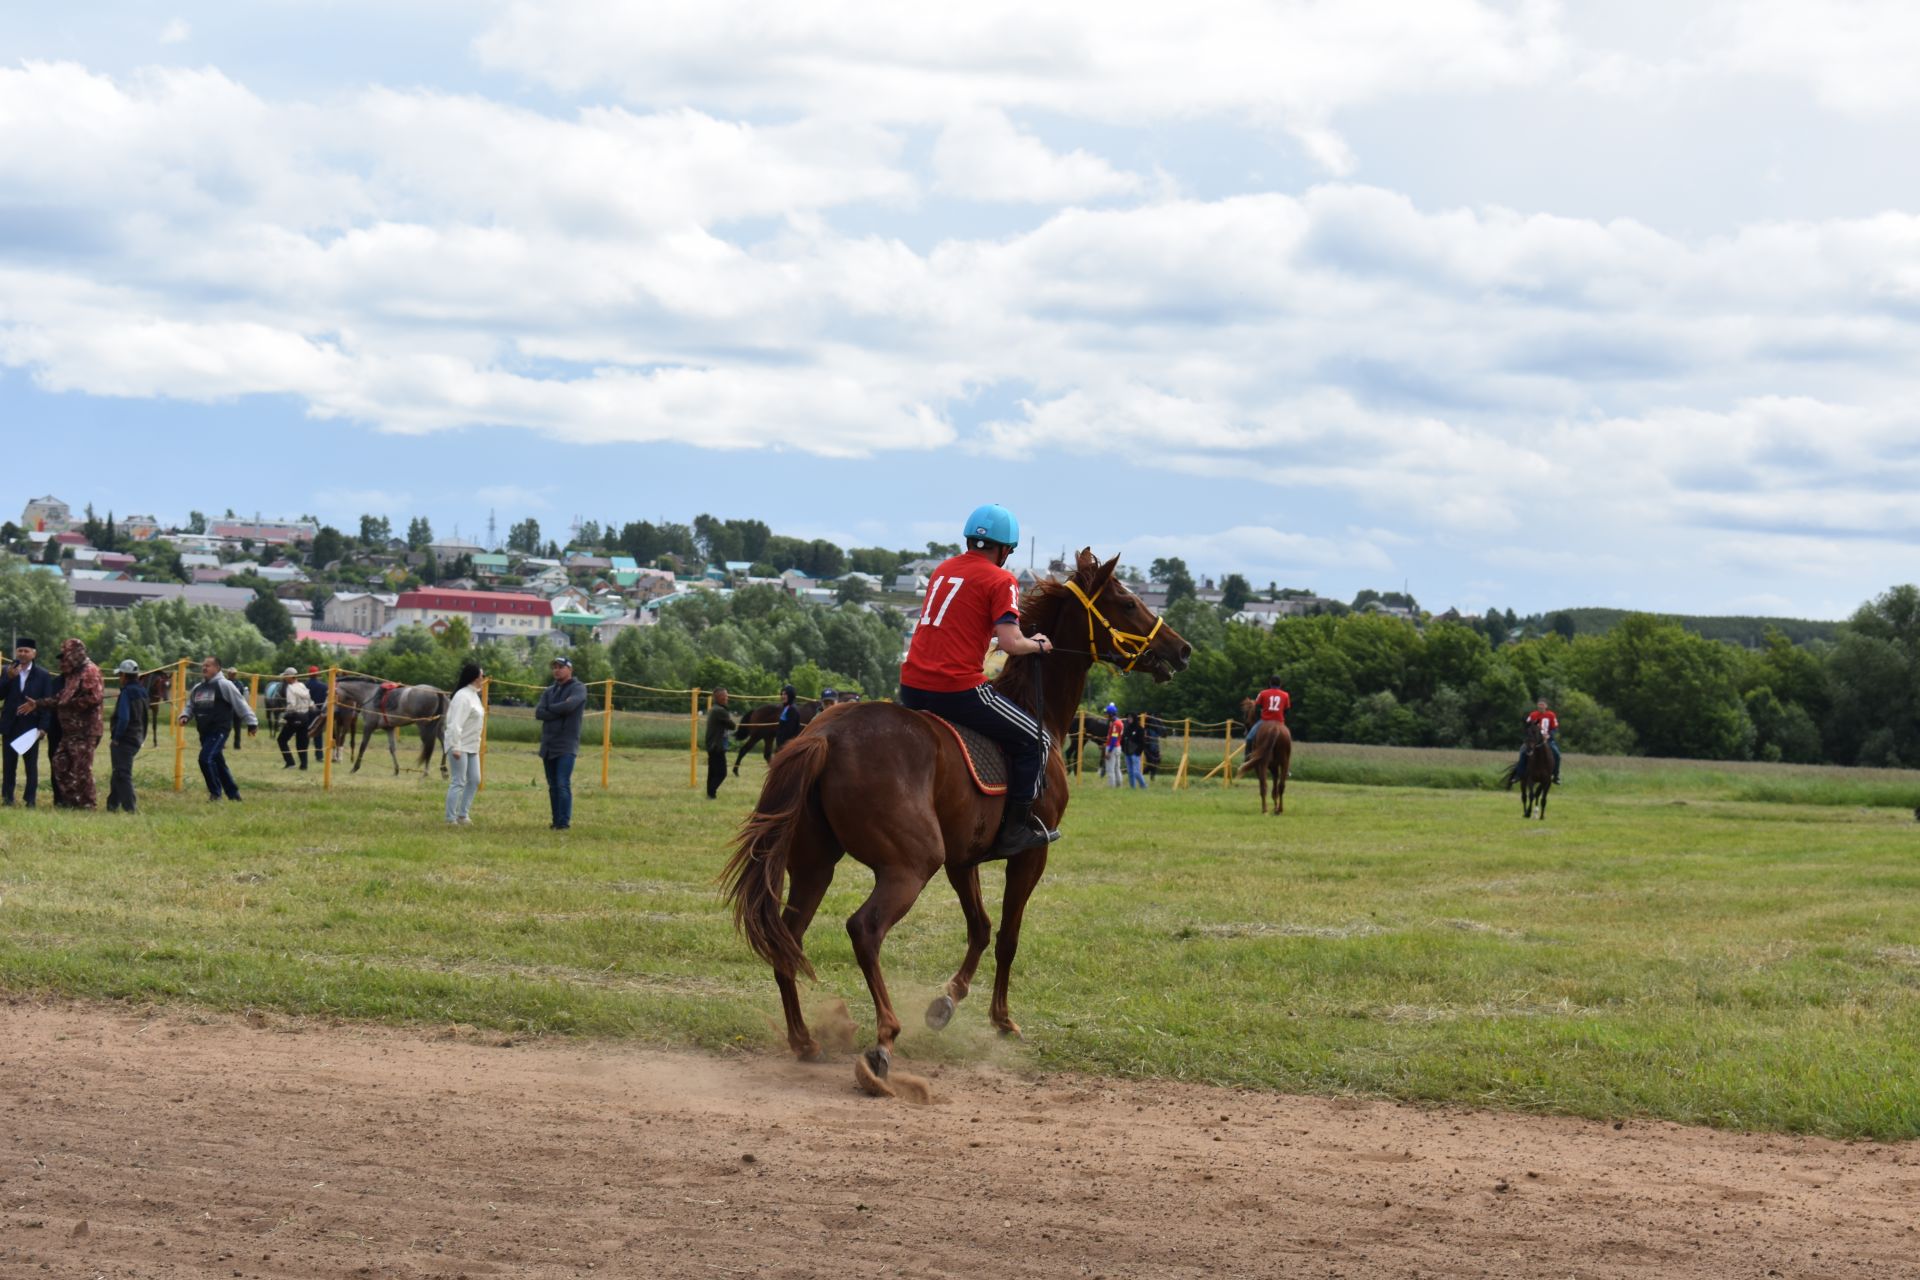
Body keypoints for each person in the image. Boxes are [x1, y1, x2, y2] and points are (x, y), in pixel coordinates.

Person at [897, 502, 1057, 858]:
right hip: (956, 690)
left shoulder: (943, 569)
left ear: (971, 539)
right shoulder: (1001, 579)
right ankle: (1016, 829)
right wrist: (1039, 645)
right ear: (1005, 549)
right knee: (1038, 740)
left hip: (911, 686)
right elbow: (1013, 644)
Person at [24, 638, 104, 809]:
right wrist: (38, 703)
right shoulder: (73, 674)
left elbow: (94, 698)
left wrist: (69, 705)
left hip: (85, 729)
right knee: (60, 764)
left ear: (77, 654)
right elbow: (61, 697)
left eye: (67, 655)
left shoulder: (90, 671)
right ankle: (70, 800)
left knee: (82, 769)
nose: (65, 660)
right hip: (69, 731)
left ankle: (87, 804)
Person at [179, 656, 258, 802]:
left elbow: (240, 703)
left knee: (205, 759)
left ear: (217, 668)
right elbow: (191, 705)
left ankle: (215, 794)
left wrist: (251, 722)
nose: (204, 668)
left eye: (208, 666)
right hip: (204, 731)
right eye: (203, 665)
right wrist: (185, 715)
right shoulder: (198, 688)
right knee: (218, 763)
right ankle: (234, 795)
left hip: (219, 730)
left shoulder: (225, 685)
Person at [534, 655, 586, 830]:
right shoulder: (549, 691)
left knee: (562, 783)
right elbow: (539, 713)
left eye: (560, 667)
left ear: (570, 669)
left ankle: (564, 823)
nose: (557, 670)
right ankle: (556, 821)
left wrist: (551, 708)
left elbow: (570, 707)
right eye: (554, 667)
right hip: (548, 745)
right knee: (552, 785)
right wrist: (559, 708)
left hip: (566, 745)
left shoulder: (578, 688)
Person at [1, 637, 53, 807]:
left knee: (31, 766)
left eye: (26, 651)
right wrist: (7, 678)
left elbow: (47, 702)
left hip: (31, 726)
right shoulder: (7, 670)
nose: (22, 654)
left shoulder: (43, 675)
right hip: (10, 724)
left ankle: (30, 800)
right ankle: (8, 798)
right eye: (20, 650)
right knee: (9, 765)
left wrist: (43, 727)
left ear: (34, 654)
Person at [443, 661, 485, 824]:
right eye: (482, 675)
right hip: (459, 746)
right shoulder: (462, 696)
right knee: (458, 781)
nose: (483, 678)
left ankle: (463, 814)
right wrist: (456, 747)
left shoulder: (474, 695)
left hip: (472, 746)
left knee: (474, 780)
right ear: (475, 677)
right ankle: (450, 818)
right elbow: (454, 724)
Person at [107, 659, 148, 813]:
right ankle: (112, 805)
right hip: (137, 736)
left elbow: (124, 718)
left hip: (125, 738)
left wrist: (116, 738)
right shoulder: (142, 691)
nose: (120, 678)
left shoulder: (126, 693)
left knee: (123, 773)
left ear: (124, 675)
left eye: (120, 675)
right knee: (119, 771)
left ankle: (130, 808)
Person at [277, 666, 315, 769]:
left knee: (282, 739)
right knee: (301, 742)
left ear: (290, 677)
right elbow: (310, 702)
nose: (285, 679)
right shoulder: (302, 686)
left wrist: (285, 716)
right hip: (305, 717)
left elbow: (291, 705)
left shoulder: (290, 688)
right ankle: (304, 765)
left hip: (294, 717)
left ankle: (290, 763)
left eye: (285, 676)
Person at [704, 686, 737, 800]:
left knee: (712, 772)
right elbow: (732, 726)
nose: (727, 698)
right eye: (724, 696)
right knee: (722, 773)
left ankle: (710, 794)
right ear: (718, 697)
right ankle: (712, 792)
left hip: (711, 745)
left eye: (727, 696)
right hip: (717, 746)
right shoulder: (720, 711)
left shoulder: (714, 709)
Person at [1520, 696, 1562, 783]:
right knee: (1523, 752)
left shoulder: (1551, 715)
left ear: (1546, 706)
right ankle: (1519, 774)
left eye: (1542, 705)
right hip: (1533, 740)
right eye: (1539, 705)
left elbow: (1555, 728)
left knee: (1557, 755)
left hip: (1547, 740)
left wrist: (1549, 735)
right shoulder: (1532, 715)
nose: (1540, 707)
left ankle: (1555, 775)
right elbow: (1527, 726)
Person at [1247, 676, 1290, 748]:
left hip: (1265, 720)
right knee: (1287, 740)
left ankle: (1247, 758)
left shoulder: (1263, 693)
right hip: (1279, 721)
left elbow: (1257, 707)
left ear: (1270, 683)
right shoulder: (1286, 695)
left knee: (1249, 738)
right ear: (1280, 684)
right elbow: (1287, 710)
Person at [1123, 712, 1148, 789]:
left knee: (1136, 771)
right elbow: (1123, 739)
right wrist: (1123, 748)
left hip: (1135, 753)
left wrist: (1138, 752)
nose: (1129, 719)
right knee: (1130, 772)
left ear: (1134, 718)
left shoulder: (1140, 729)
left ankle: (1143, 785)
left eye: (1130, 717)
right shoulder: (1127, 728)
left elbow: (1142, 742)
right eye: (1128, 717)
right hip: (1127, 752)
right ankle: (1132, 787)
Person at [774, 683, 802, 752]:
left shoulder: (792, 709)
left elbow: (790, 730)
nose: (783, 696)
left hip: (787, 746)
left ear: (790, 695)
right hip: (782, 745)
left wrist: (782, 746)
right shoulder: (786, 708)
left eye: (785, 694)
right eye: (782, 694)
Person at [1103, 704, 1124, 787]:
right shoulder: (1120, 722)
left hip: (1113, 747)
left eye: (1107, 713)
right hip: (1118, 747)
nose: (1106, 715)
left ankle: (1111, 786)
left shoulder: (1115, 724)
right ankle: (1119, 785)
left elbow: (1114, 739)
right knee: (1117, 768)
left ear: (1111, 714)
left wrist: (1109, 751)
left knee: (1110, 769)